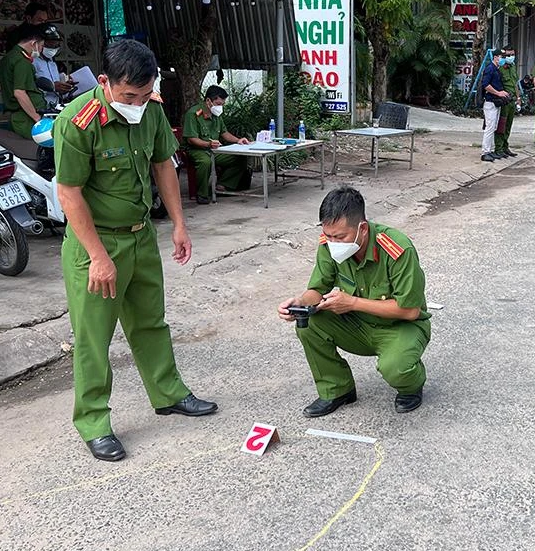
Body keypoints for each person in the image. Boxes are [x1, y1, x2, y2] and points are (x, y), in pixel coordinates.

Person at [54, 40, 218, 462]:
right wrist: (97, 256)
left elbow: (163, 164)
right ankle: (93, 422)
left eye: (146, 95)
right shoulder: (78, 122)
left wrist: (179, 224)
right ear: (105, 82)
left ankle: (168, 393)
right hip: (97, 243)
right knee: (94, 338)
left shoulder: (152, 110)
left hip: (141, 235)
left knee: (150, 322)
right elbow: (69, 192)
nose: (138, 104)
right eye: (129, 96)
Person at [277, 186, 431, 416]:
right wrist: (299, 303)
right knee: (308, 323)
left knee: (396, 368)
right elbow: (318, 289)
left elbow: (409, 311)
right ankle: (337, 389)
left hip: (400, 327)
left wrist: (352, 303)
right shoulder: (329, 243)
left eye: (340, 237)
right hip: (357, 325)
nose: (333, 243)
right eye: (328, 236)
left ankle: (412, 385)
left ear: (363, 228)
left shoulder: (398, 249)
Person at [182, 85, 251, 204]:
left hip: (215, 149)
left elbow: (224, 133)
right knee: (205, 162)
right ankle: (202, 194)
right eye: (218, 104)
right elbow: (191, 139)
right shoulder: (193, 114)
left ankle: (222, 185)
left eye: (222, 104)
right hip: (197, 150)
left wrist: (238, 140)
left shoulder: (216, 115)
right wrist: (208, 144)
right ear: (208, 101)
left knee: (240, 157)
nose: (220, 107)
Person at [0, 23, 47, 139]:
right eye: (41, 46)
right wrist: (37, 118)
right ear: (33, 44)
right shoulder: (22, 61)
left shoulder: (9, 57)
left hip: (16, 116)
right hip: (26, 117)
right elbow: (19, 93)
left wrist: (8, 91)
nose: (41, 50)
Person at [33, 24, 74, 109]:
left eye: (55, 46)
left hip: (55, 107)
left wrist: (65, 86)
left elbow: (57, 86)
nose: (52, 48)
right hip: (39, 108)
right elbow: (29, 86)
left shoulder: (53, 63)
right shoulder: (33, 62)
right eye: (49, 45)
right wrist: (52, 87)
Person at [480, 49, 510, 163]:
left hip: (496, 102)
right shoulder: (490, 69)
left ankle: (490, 150)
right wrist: (498, 93)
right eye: (502, 57)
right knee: (489, 127)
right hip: (490, 102)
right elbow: (485, 85)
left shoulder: (496, 69)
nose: (503, 59)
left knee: (494, 127)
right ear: (496, 57)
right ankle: (485, 152)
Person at [495, 45, 521, 158]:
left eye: (513, 55)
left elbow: (515, 84)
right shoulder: (500, 68)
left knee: (508, 125)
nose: (511, 57)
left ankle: (505, 146)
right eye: (509, 55)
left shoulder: (513, 67)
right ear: (504, 56)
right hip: (503, 101)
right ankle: (498, 148)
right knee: (501, 125)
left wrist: (518, 98)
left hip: (512, 100)